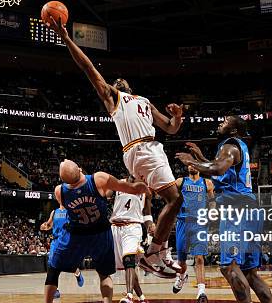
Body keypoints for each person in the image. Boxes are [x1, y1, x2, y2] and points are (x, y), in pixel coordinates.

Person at [48, 17, 183, 278]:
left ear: (130, 85)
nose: (118, 81)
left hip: (148, 150)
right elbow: (89, 70)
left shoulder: (143, 101)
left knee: (173, 201)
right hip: (142, 150)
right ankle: (156, 253)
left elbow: (170, 128)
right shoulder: (115, 98)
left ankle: (159, 253)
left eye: (122, 81)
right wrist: (66, 39)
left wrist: (177, 116)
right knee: (175, 199)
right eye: (115, 81)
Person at [176, 116, 272, 303]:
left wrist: (193, 163)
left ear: (236, 129)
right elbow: (222, 170)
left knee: (228, 266)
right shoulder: (236, 148)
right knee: (250, 273)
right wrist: (202, 158)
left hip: (236, 209)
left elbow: (218, 168)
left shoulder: (229, 145)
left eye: (225, 121)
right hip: (249, 209)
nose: (221, 122)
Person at [32, 159, 149, 303]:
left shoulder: (60, 191)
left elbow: (70, 202)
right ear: (79, 169)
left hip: (77, 236)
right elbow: (129, 189)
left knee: (53, 271)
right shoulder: (99, 179)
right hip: (100, 233)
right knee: (104, 274)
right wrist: (143, 186)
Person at [107, 175, 152, 303]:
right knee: (128, 266)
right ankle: (143, 300)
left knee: (129, 260)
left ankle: (129, 297)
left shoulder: (146, 189)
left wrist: (150, 226)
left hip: (133, 226)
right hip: (115, 227)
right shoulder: (118, 183)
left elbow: (147, 213)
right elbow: (105, 194)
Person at [172, 165, 215, 303]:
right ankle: (182, 276)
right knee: (181, 261)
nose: (192, 166)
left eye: (194, 163)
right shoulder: (180, 182)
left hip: (199, 223)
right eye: (189, 163)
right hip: (183, 222)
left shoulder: (207, 183)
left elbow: (212, 201)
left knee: (199, 258)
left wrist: (213, 212)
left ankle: (201, 292)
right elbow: (170, 197)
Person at [39, 206, 85, 299]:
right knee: (52, 265)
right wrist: (45, 226)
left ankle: (77, 273)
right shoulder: (54, 212)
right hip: (56, 242)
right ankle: (55, 290)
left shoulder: (72, 210)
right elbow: (49, 225)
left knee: (71, 265)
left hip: (68, 241)